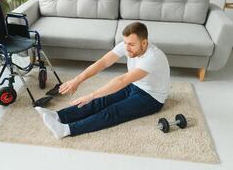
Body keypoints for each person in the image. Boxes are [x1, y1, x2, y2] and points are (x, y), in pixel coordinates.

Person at [35, 22, 170, 139]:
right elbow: (103, 62)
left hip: (152, 98)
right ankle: (59, 116)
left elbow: (122, 80)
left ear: (144, 42)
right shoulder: (128, 45)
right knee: (100, 101)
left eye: (131, 44)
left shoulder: (153, 57)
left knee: (112, 111)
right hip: (135, 86)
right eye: (125, 43)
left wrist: (91, 94)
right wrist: (77, 80)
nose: (127, 48)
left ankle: (66, 130)